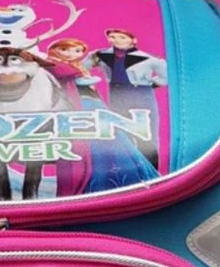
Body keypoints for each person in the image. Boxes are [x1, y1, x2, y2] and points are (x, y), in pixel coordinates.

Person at [48, 38, 159, 193]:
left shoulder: (75, 65)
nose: (71, 54)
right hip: (79, 108)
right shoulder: (54, 65)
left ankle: (125, 180)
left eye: (77, 51)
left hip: (93, 105)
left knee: (114, 141)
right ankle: (93, 184)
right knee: (93, 146)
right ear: (54, 50)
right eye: (64, 49)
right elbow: (73, 80)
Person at [85, 29, 167, 169]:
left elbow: (165, 75)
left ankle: (151, 170)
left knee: (146, 133)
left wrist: (151, 84)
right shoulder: (101, 55)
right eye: (112, 37)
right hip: (116, 95)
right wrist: (88, 78)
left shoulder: (148, 58)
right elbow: (82, 67)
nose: (116, 40)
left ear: (133, 40)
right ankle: (125, 170)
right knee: (120, 133)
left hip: (141, 95)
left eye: (122, 37)